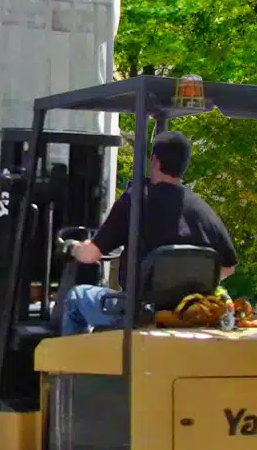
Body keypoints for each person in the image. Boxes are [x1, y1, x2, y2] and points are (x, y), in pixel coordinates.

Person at [60, 130, 238, 336]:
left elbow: (91, 255)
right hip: (188, 314)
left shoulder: (135, 201)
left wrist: (72, 247)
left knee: (76, 297)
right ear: (184, 166)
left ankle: (73, 368)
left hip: (140, 313)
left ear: (154, 160)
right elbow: (227, 268)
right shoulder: (203, 211)